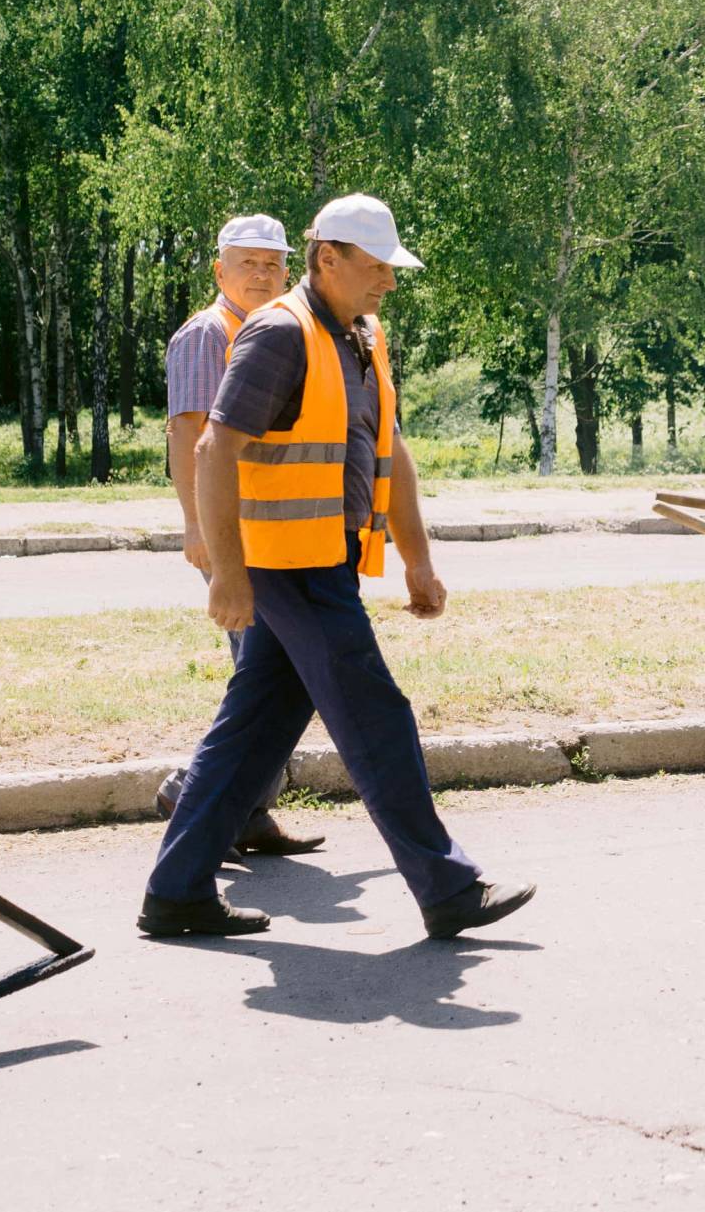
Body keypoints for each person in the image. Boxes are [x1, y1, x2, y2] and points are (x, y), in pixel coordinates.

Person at [138, 193, 535, 941]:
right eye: (377, 266)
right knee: (376, 716)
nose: (389, 280)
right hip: (290, 565)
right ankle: (448, 886)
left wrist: (418, 560)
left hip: (328, 559)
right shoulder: (278, 334)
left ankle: (177, 890)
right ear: (328, 259)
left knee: (256, 726)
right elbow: (212, 449)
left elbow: (391, 449)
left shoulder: (361, 335)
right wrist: (228, 573)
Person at [157, 214, 322, 859]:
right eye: (247, 263)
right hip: (233, 534)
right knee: (267, 678)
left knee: (274, 677)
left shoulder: (277, 330)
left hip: (276, 531)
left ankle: (244, 810)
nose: (262, 274)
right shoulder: (208, 334)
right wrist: (197, 527)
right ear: (219, 270)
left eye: (273, 263)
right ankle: (193, 794)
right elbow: (187, 433)